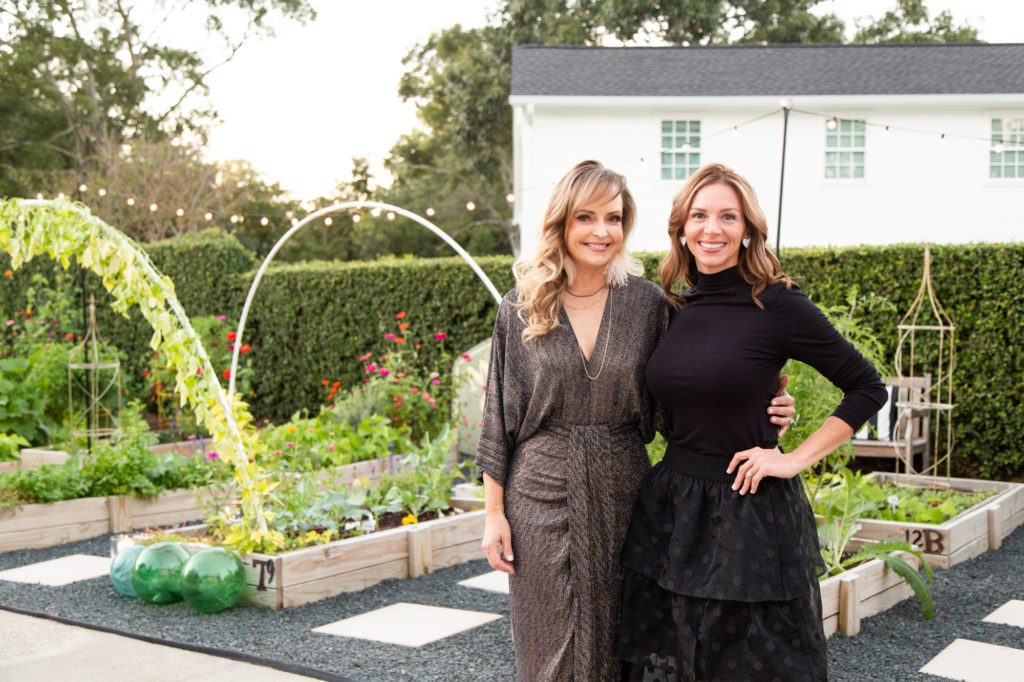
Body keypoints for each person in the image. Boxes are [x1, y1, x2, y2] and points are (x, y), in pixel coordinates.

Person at [476, 160, 795, 681]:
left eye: (614, 218)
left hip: (624, 489)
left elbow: (686, 394)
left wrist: (766, 410)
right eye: (586, 217)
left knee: (623, 638)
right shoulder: (521, 308)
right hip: (537, 493)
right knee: (545, 641)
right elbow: (499, 417)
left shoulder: (648, 304)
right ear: (561, 224)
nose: (602, 232)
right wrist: (493, 513)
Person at [617, 163, 888, 681]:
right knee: (671, 662)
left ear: (747, 230)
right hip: (673, 506)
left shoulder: (777, 303)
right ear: (681, 227)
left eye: (727, 216)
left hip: (748, 511)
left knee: (746, 665)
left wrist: (793, 458)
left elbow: (867, 387)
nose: (711, 229)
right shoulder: (675, 306)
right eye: (698, 216)